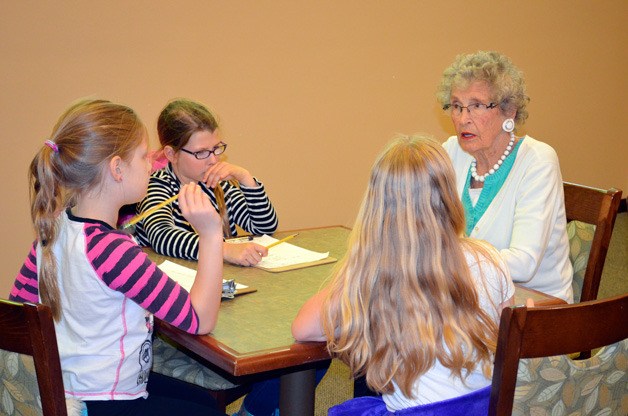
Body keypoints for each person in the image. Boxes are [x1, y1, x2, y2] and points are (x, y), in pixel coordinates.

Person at [9, 99, 226, 416]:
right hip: (101, 402)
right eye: (142, 157)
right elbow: (200, 320)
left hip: (63, 387)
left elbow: (19, 313)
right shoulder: (113, 250)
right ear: (117, 168)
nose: (150, 165)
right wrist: (210, 234)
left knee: (204, 401)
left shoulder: (52, 231)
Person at [292, 135, 515, 412]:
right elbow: (508, 348)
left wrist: (359, 259)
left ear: (377, 205)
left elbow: (304, 328)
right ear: (447, 193)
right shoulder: (490, 258)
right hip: (484, 408)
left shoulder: (374, 271)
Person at [437, 50, 573, 302]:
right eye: (456, 106)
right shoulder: (451, 152)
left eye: (476, 106)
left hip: (536, 310)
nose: (463, 119)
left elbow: (524, 263)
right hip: (471, 301)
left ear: (508, 111)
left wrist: (442, 258)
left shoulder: (538, 160)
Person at [134, 99, 278, 267]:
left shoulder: (216, 184)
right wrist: (223, 249)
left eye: (216, 148)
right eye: (201, 152)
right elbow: (162, 236)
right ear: (172, 154)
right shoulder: (156, 186)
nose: (213, 159)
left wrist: (245, 178)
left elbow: (264, 227)